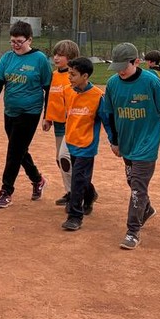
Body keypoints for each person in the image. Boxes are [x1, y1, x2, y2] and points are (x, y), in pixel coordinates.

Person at [100, 42, 160, 249]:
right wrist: (114, 141)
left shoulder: (151, 81)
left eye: (123, 67)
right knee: (132, 180)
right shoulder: (112, 84)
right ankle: (147, 209)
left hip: (147, 142)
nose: (120, 71)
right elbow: (110, 114)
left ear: (136, 62)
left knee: (137, 186)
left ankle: (133, 231)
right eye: (117, 67)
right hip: (126, 141)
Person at [0, 21, 52, 209]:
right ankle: (37, 180)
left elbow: (48, 88)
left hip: (30, 112)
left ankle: (6, 191)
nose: (15, 45)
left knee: (14, 151)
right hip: (10, 111)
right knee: (19, 150)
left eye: (19, 41)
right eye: (13, 41)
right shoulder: (7, 58)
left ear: (29, 40)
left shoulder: (39, 59)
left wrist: (47, 115)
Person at [60, 57, 103, 231]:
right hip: (72, 141)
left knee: (78, 178)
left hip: (87, 145)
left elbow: (107, 121)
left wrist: (115, 141)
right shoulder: (67, 91)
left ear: (85, 76)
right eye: (69, 73)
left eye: (73, 74)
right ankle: (90, 194)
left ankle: (75, 216)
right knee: (82, 178)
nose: (69, 77)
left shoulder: (98, 96)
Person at [42, 39, 81, 207]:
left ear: (70, 58)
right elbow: (50, 98)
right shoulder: (54, 75)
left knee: (67, 159)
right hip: (58, 123)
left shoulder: (73, 76)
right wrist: (47, 117)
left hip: (71, 123)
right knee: (60, 159)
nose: (56, 58)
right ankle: (72, 191)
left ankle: (79, 193)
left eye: (61, 55)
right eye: (55, 55)